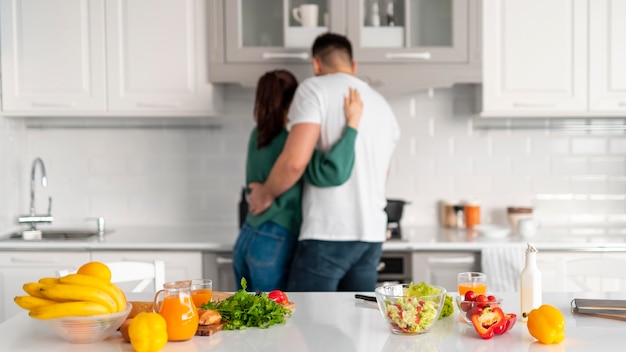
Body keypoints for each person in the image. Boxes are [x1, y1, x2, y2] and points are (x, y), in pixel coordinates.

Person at [247, 33, 400, 292]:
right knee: (358, 323)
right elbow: (384, 173)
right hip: (372, 235)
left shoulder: (313, 89)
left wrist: (266, 193)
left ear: (316, 64)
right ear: (354, 66)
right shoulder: (383, 105)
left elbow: (295, 162)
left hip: (328, 233)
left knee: (305, 323)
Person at [232, 69, 364, 292]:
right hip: (276, 238)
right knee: (274, 321)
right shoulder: (292, 139)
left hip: (247, 238)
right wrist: (352, 125)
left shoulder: (258, 134)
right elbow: (331, 172)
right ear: (295, 98)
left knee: (248, 320)